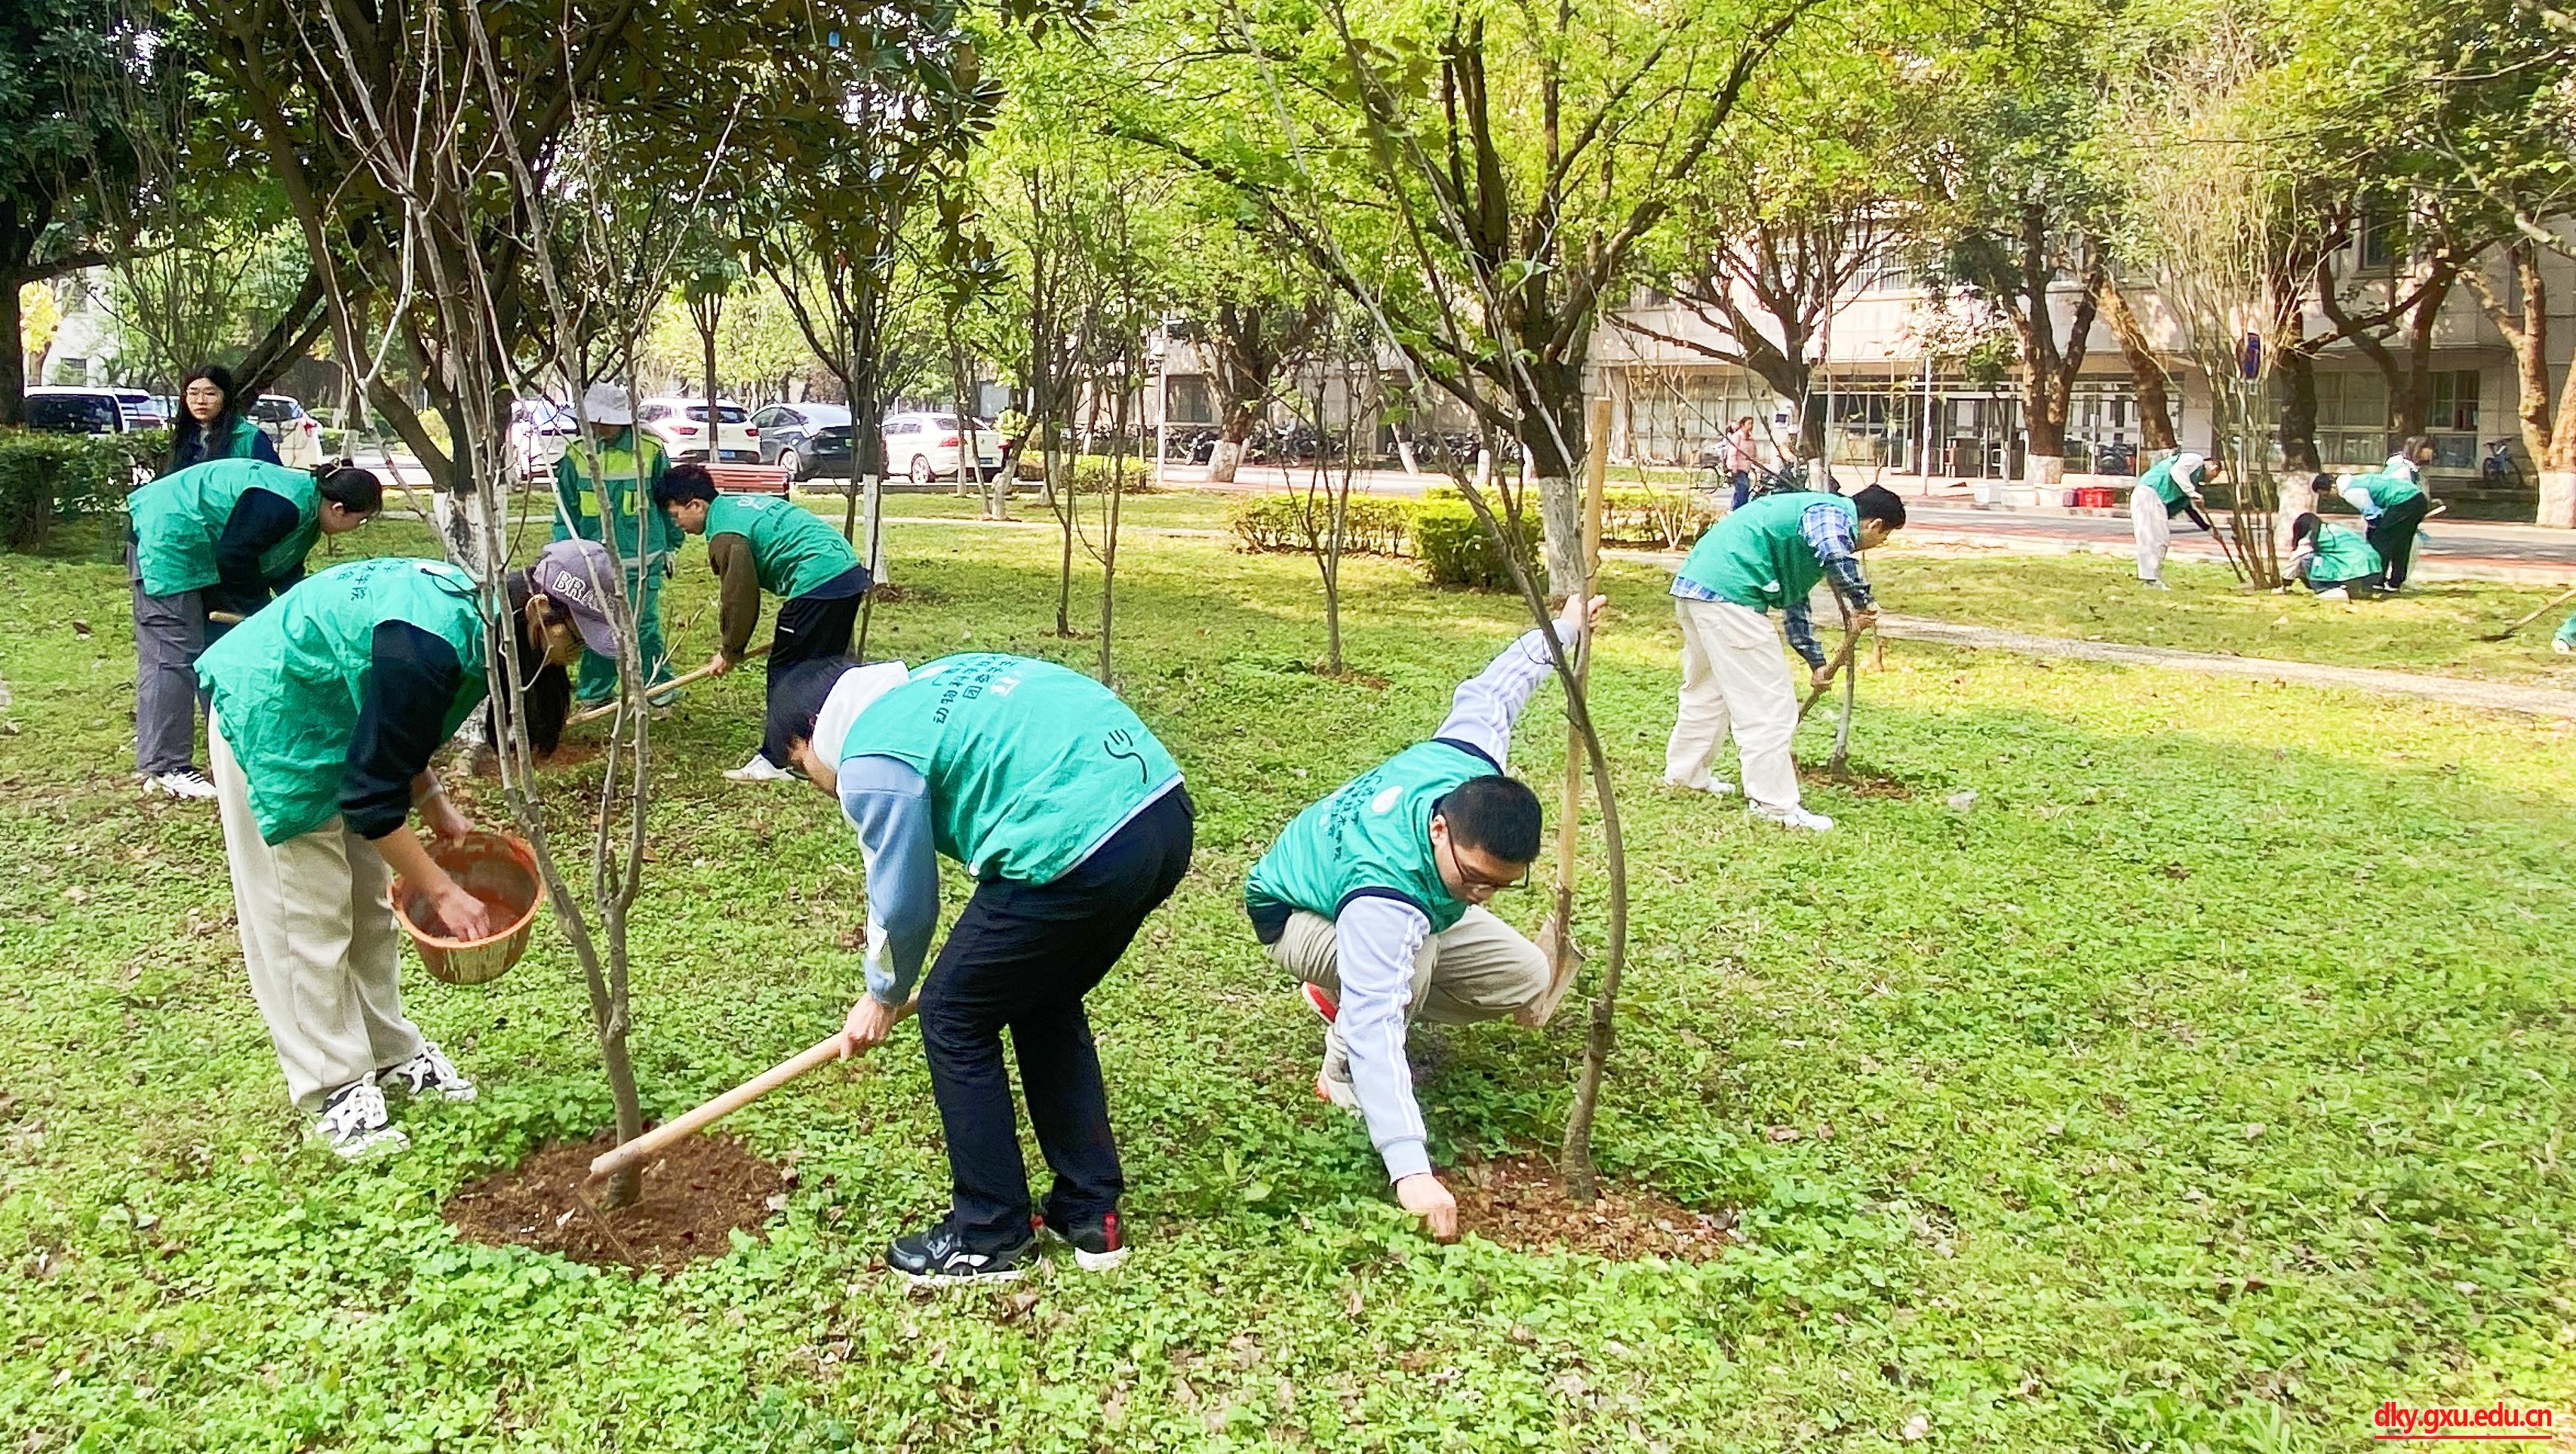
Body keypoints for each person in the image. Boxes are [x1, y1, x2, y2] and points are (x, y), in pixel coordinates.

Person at [767, 650, 1191, 1282]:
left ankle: (989, 1232)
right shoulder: (935, 680)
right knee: (1043, 995)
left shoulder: (869, 755)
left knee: (951, 1015)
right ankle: (1089, 1211)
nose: (821, 786)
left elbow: (903, 898)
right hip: (1161, 817)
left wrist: (882, 992)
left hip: (1076, 842)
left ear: (812, 732)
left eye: (802, 768)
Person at [195, 543, 613, 1157]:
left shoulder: (480, 621)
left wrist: (434, 801)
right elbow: (370, 799)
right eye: (576, 639)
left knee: (368, 908)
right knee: (305, 916)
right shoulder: (432, 642)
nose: (575, 657)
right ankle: (333, 1088)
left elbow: (392, 722)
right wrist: (442, 891)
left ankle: (390, 1053)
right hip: (273, 717)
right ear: (539, 609)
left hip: (336, 719)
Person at [1243, 593, 1604, 1243]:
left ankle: (1346, 986)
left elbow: (1496, 687)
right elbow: (1380, 1022)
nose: (1482, 896)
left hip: (1392, 904)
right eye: (1474, 878)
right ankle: (1338, 1066)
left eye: (1500, 885)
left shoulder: (1466, 760)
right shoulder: (1386, 896)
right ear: (1440, 828)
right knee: (1401, 974)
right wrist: (1410, 1167)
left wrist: (1566, 627)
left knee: (1527, 975)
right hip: (1296, 914)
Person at [124, 460, 385, 799]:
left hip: (210, 547)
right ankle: (165, 767)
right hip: (169, 537)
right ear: (338, 509)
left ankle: (231, 748)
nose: (358, 527)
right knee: (172, 652)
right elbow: (235, 557)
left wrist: (304, 616)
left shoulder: (309, 510)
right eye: (360, 520)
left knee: (223, 650)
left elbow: (282, 570)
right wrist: (260, 612)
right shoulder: (283, 505)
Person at [1664, 484, 1907, 831]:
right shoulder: (1831, 514)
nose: (1877, 545)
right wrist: (1863, 601)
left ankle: (1685, 775)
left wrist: (1817, 663)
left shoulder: (1806, 527)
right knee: (1769, 706)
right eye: (1883, 538)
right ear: (1875, 524)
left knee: (1708, 691)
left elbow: (1795, 604)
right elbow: (1836, 555)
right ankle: (1774, 804)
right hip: (1731, 597)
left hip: (1698, 589)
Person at [647, 462, 871, 782]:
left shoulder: (725, 534)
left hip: (818, 580)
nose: (676, 524)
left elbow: (739, 597)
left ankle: (778, 760)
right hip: (846, 572)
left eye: (675, 515)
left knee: (788, 671)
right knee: (827, 664)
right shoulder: (735, 506)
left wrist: (730, 650)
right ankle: (835, 744)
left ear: (695, 505)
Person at [548, 384, 677, 707]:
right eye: (594, 420)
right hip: (591, 563)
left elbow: (669, 503)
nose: (599, 426)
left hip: (641, 560)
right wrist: (562, 554)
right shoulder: (576, 454)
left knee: (643, 627)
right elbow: (566, 511)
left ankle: (658, 689)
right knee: (596, 625)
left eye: (606, 420)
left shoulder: (650, 451)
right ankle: (596, 693)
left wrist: (672, 545)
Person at [2314, 468, 2432, 592]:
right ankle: (2395, 582)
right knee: (2401, 543)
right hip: (2417, 498)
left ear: (2332, 487)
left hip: (2403, 502)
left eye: (2326, 495)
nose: (2328, 499)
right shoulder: (2355, 480)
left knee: (2380, 543)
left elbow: (2373, 516)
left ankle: (2375, 581)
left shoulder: (2349, 492)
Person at [164, 363, 280, 473]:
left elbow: (274, 480)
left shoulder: (250, 437)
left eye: (210, 394)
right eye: (193, 394)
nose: (200, 401)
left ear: (226, 398)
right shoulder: (184, 435)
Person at [2130, 450, 2223, 588]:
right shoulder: (2196, 460)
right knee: (2154, 539)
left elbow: (2189, 509)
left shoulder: (2190, 480)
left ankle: (2152, 577)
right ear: (2214, 467)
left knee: (2159, 538)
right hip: (2150, 494)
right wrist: (2192, 493)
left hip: (2154, 498)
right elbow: (2177, 471)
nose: (2211, 480)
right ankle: (2150, 580)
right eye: (2215, 475)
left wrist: (2210, 530)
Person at [2284, 511, 2384, 599]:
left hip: (2357, 572)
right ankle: (2358, 591)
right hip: (2374, 569)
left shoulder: (2312, 537)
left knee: (2307, 558)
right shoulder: (2335, 528)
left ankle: (2326, 590)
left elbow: (2296, 559)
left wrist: (2285, 582)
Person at [1720, 417, 1766, 509]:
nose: (1751, 426)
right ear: (1742, 425)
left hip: (1746, 468)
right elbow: (1733, 452)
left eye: (1752, 424)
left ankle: (1740, 507)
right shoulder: (1737, 437)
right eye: (1749, 424)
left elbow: (1753, 455)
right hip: (1737, 467)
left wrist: (1759, 466)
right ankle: (1737, 508)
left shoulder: (1750, 439)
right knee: (1743, 486)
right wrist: (1734, 467)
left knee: (1744, 488)